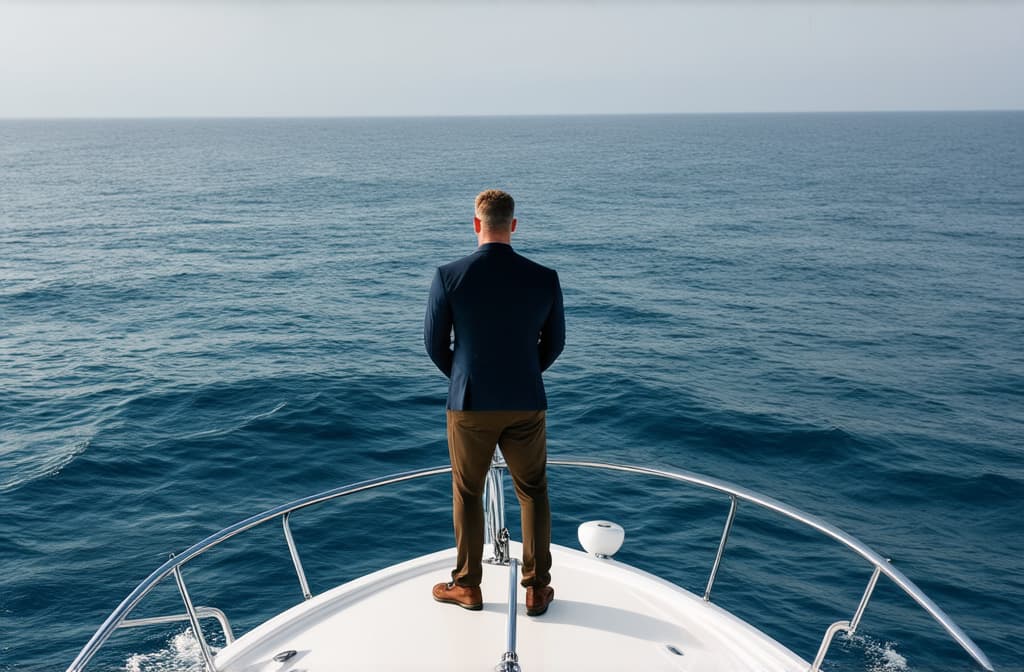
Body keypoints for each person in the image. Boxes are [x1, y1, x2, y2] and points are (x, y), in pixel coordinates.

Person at [424, 189, 565, 617]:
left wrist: (468, 378)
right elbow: (555, 344)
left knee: (467, 493)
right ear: (514, 225)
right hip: (526, 400)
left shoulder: (449, 276)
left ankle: (467, 586)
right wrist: (523, 375)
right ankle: (537, 589)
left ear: (476, 224)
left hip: (469, 403)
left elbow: (434, 345)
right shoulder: (544, 278)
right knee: (533, 492)